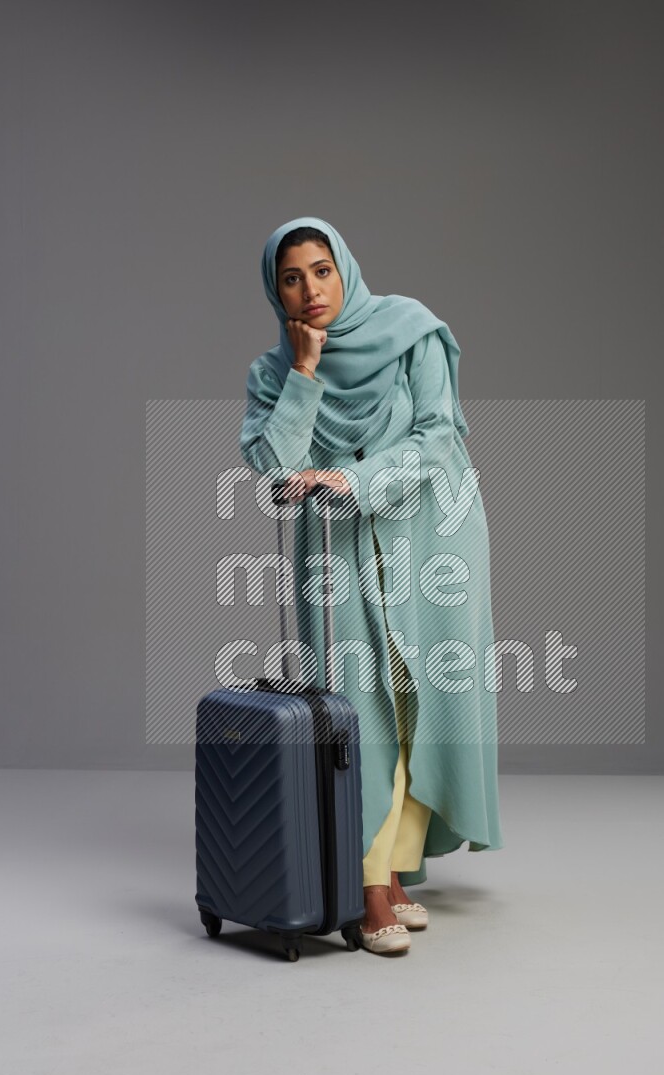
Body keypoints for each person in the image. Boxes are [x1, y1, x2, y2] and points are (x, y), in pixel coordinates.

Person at [239, 216, 504, 955]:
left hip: (432, 533)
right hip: (338, 549)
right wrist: (304, 374)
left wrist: (352, 478)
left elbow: (439, 434)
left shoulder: (413, 333)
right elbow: (274, 466)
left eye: (321, 269)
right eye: (291, 277)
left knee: (425, 699)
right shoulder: (272, 373)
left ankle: (388, 867)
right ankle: (366, 882)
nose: (310, 289)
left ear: (344, 268)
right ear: (275, 288)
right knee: (359, 711)